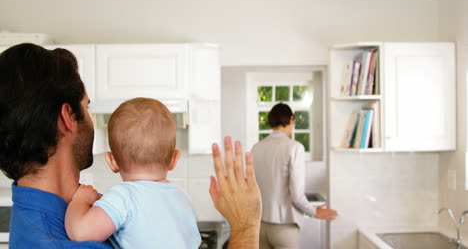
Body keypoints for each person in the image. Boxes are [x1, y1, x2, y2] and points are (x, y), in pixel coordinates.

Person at [0, 43, 262, 249]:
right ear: (67, 118)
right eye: (86, 106)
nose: (91, 119)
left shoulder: (52, 214)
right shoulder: (63, 240)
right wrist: (246, 225)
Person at [65, 98, 201, 248]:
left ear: (112, 161)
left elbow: (80, 233)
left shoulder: (123, 196)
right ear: (174, 159)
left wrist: (80, 201)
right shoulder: (184, 199)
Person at [251, 102, 337, 249]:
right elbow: (296, 196)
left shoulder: (256, 148)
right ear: (291, 119)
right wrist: (314, 211)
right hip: (284, 228)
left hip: (259, 227)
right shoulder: (295, 148)